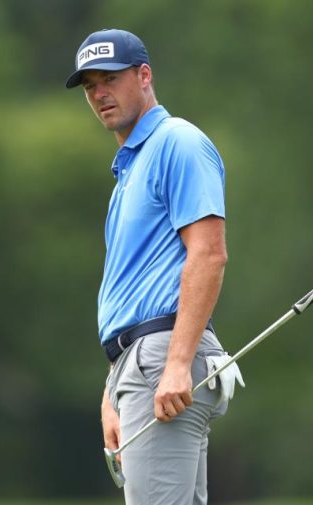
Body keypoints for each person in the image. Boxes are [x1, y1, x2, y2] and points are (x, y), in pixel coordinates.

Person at [65, 29, 243, 505]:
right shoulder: (130, 167)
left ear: (144, 76)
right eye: (89, 86)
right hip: (139, 364)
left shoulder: (177, 143)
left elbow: (208, 253)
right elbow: (134, 291)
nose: (99, 94)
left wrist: (178, 363)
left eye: (111, 79)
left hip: (163, 357)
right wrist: (112, 390)